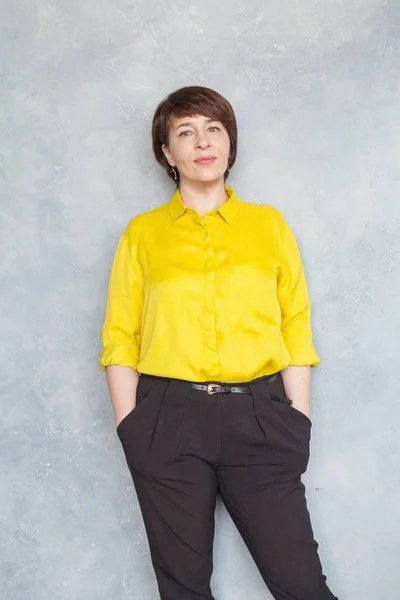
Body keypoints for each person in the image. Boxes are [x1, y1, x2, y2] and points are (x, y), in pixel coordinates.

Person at [99, 85, 338, 600]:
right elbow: (121, 337)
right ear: (167, 153)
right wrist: (132, 427)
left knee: (302, 587)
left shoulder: (268, 225)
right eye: (185, 132)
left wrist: (297, 419)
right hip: (168, 420)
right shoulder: (142, 235)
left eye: (213, 128)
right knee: (183, 590)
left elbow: (295, 325)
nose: (202, 142)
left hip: (261, 417)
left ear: (230, 142)